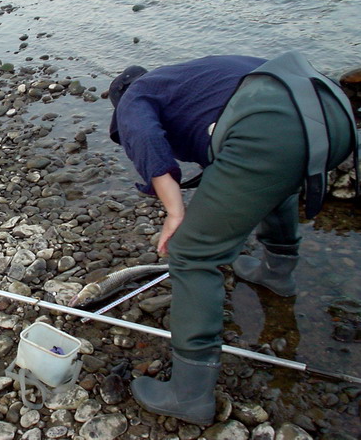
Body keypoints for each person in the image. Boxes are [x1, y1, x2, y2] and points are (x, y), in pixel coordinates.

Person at [107, 53, 357, 425]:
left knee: (191, 254)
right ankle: (277, 272)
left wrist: (175, 211)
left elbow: (144, 136)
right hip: (335, 113)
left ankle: (189, 394)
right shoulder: (191, 79)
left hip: (272, 126)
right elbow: (247, 158)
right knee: (275, 179)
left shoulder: (135, 95)